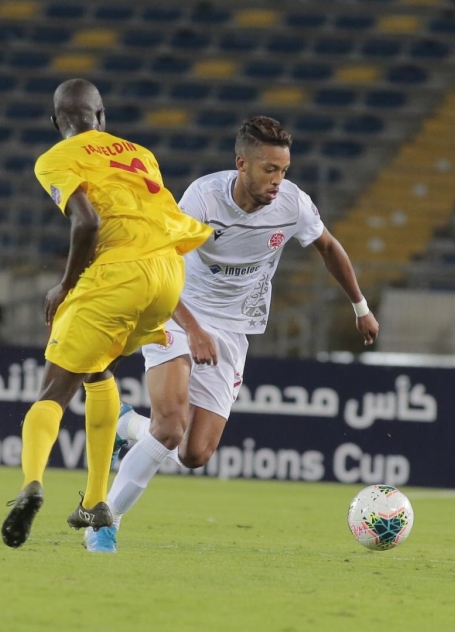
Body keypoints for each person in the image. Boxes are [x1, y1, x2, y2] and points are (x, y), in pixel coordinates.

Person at [85, 116, 379, 553]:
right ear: (242, 164)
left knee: (194, 453)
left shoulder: (293, 204)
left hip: (233, 329)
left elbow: (329, 247)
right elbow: (157, 266)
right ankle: (104, 521)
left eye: (284, 170)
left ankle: (126, 424)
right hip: (176, 311)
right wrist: (193, 329)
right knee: (170, 428)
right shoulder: (202, 199)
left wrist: (361, 307)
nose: (278, 180)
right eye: (269, 169)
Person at [0, 78, 212, 548]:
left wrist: (66, 285)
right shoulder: (141, 153)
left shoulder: (55, 157)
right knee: (99, 369)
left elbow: (88, 222)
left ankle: (31, 484)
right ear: (102, 116)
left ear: (55, 121)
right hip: (168, 275)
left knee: (53, 391)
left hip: (118, 273)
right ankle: (96, 501)